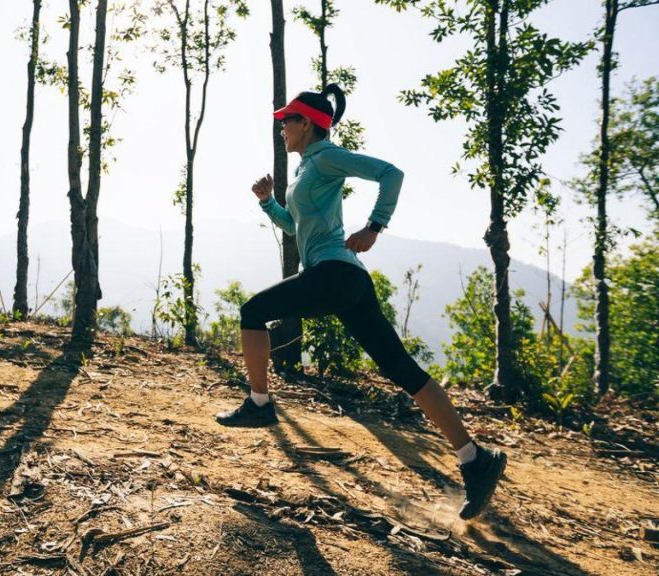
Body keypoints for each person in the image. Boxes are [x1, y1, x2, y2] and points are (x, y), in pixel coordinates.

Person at [215, 85, 506, 520]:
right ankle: (475, 459)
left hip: (335, 272)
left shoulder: (328, 156)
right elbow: (295, 229)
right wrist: (267, 203)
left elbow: (392, 173)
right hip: (343, 279)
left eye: (287, 121)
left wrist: (374, 227)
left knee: (253, 312)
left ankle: (259, 404)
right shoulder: (307, 170)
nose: (281, 128)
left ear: (307, 124)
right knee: (402, 369)